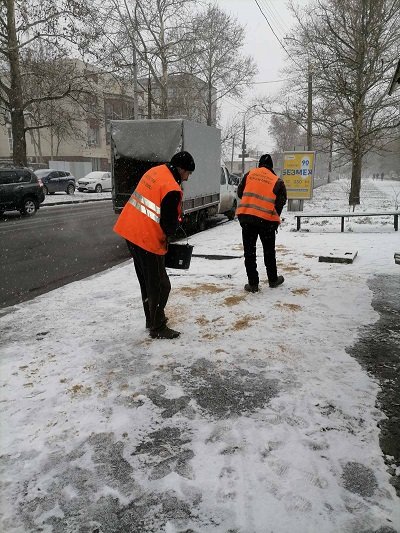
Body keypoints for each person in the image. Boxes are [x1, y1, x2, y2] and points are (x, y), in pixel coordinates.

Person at [113, 151, 195, 339]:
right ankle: (157, 327)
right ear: (181, 169)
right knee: (160, 285)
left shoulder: (156, 171)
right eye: (188, 173)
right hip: (145, 237)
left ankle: (151, 320)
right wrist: (177, 224)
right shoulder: (171, 188)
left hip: (130, 230)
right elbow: (169, 225)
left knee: (146, 281)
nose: (188, 177)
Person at [236, 153, 287, 293]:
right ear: (271, 167)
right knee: (269, 251)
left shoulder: (249, 175)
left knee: (249, 252)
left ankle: (253, 284)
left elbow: (240, 193)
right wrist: (273, 215)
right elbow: (281, 201)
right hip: (267, 222)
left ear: (259, 164)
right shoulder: (277, 181)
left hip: (247, 219)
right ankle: (272, 280)